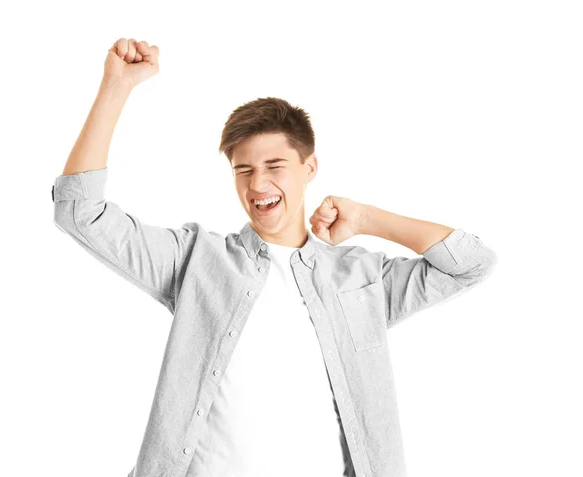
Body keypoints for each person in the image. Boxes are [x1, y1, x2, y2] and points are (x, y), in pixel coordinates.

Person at [51, 38, 498, 477]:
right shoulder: (196, 260)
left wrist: (366, 218)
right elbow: (80, 213)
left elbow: (471, 264)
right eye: (243, 170)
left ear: (310, 168)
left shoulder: (361, 279)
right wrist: (116, 87)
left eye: (274, 166)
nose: (257, 183)